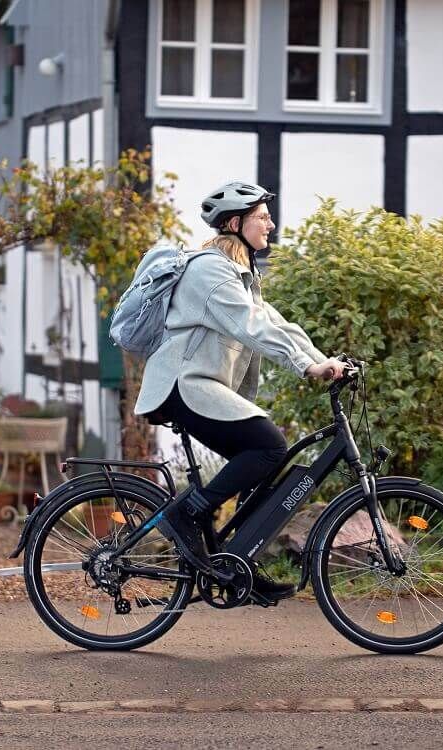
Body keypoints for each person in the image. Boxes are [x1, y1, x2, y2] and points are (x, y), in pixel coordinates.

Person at [133, 181, 346, 600]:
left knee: (262, 465)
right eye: (261, 216)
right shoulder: (210, 270)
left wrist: (322, 360)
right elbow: (253, 327)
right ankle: (185, 515)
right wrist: (308, 365)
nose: (270, 223)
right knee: (268, 446)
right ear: (235, 223)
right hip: (183, 385)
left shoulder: (238, 274)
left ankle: (238, 562)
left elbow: (278, 324)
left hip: (197, 386)